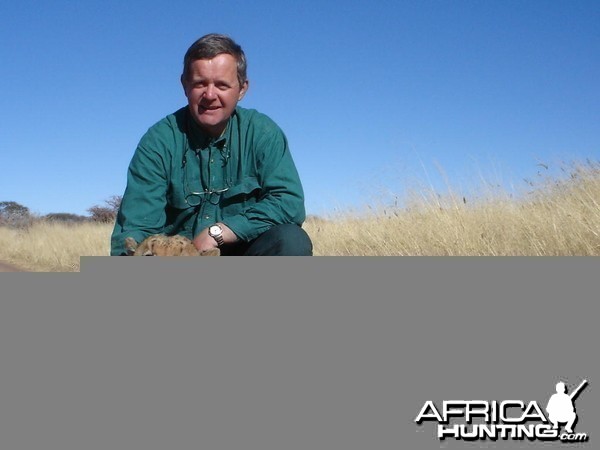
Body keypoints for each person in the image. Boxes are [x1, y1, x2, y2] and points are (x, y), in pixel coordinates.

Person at [111, 34, 312, 256]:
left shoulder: (263, 133)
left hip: (244, 255)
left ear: (242, 89)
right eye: (200, 84)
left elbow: (289, 203)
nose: (209, 95)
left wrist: (218, 232)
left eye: (222, 85)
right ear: (184, 85)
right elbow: (136, 228)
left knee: (292, 240)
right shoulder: (158, 142)